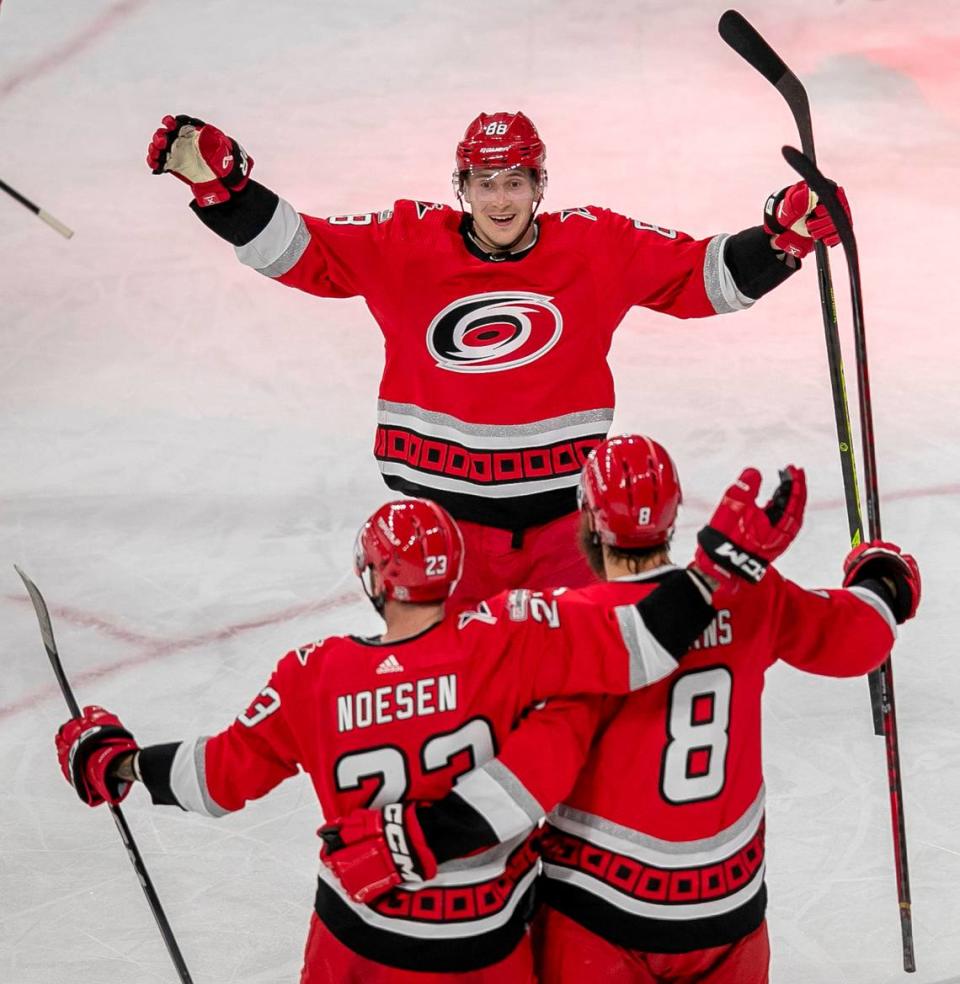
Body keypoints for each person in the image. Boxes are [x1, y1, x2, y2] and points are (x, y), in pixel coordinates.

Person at [55, 481, 766, 983]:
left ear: (373, 579)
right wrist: (712, 572)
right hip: (483, 944)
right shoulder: (510, 633)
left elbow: (213, 780)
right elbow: (645, 643)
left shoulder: (313, 674)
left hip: (359, 943)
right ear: (451, 574)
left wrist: (116, 765)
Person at [145, 110, 848, 609]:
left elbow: (701, 278)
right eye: (486, 183)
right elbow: (304, 252)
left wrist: (784, 239)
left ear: (540, 186)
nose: (501, 198)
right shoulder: (407, 242)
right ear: (463, 188)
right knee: (457, 712)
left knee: (589, 692)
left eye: (516, 182)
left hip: (567, 530)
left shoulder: (595, 244)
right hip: (440, 531)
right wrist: (224, 190)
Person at [320, 436, 921, 984]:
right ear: (674, 516)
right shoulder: (751, 594)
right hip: (727, 911)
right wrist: (883, 580)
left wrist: (411, 837)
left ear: (586, 521)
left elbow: (510, 756)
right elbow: (858, 638)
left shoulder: (565, 624)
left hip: (598, 914)